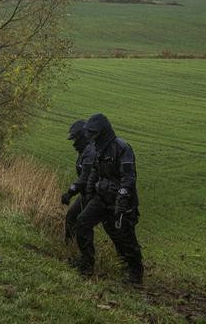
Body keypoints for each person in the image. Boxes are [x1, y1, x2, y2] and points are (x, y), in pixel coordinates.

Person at [73, 113, 144, 284]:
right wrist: (90, 193)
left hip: (121, 200)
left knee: (125, 236)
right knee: (82, 222)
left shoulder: (122, 147)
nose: (89, 136)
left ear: (102, 131)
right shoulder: (97, 147)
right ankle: (86, 263)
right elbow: (95, 172)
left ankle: (134, 273)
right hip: (101, 196)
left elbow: (129, 177)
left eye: (92, 132)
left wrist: (123, 199)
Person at [61, 120, 96, 244]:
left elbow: (85, 177)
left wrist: (70, 192)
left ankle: (86, 259)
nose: (74, 143)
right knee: (72, 216)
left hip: (97, 196)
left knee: (83, 223)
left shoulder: (90, 152)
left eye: (75, 139)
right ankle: (70, 247)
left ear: (83, 136)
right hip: (86, 194)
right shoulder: (84, 151)